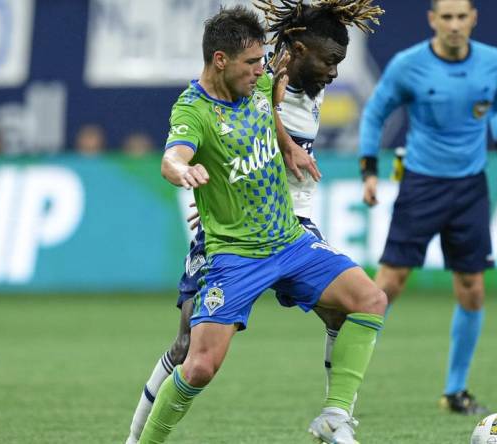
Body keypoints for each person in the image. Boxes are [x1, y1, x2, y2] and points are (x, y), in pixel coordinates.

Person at [134, 5, 386, 444]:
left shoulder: (270, 80)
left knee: (367, 300)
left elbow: (267, 105)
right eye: (252, 63)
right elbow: (174, 154)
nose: (262, 69)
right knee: (195, 360)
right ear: (222, 61)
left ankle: (334, 415)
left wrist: (287, 145)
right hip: (233, 249)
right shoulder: (206, 101)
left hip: (288, 236)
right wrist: (187, 174)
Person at [358, 0, 497, 415]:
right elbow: (375, 112)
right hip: (420, 184)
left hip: (470, 188)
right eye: (445, 17)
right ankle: (347, 381)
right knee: (388, 285)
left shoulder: (492, 61)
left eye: (460, 17)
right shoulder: (408, 64)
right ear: (432, 20)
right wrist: (369, 170)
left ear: (473, 19)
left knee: (472, 289)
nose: (453, 25)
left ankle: (456, 391)